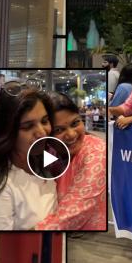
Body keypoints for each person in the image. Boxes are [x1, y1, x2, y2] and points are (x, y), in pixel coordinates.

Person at [0, 84, 57, 230]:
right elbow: (0, 245)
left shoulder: (44, 161)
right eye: (27, 126)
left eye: (45, 121)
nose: (41, 132)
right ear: (5, 131)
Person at [35, 92, 106, 230]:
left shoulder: (96, 152)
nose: (71, 134)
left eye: (75, 123)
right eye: (59, 130)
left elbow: (74, 212)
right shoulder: (51, 151)